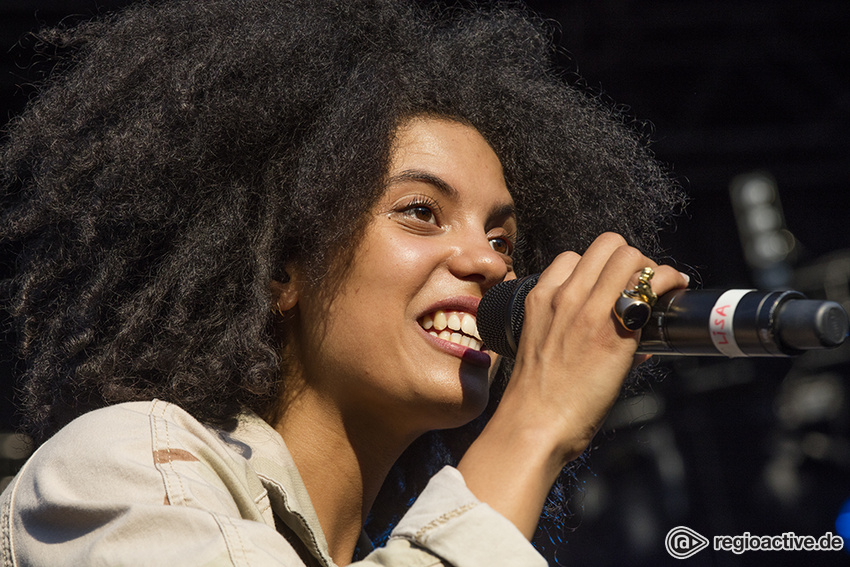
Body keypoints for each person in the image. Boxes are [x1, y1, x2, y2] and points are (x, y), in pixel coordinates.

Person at [0, 0, 688, 565]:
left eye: (502, 238)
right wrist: (536, 423)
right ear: (279, 270)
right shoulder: (127, 464)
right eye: (422, 212)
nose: (488, 262)